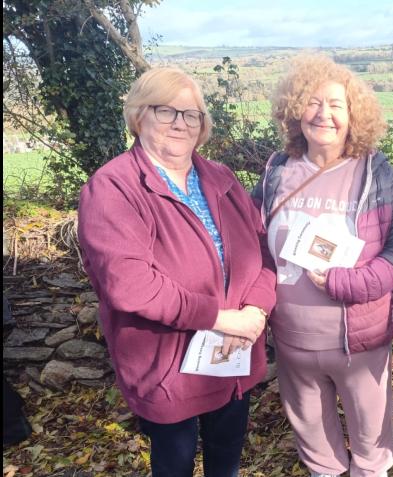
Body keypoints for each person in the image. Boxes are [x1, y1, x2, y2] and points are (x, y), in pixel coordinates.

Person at [77, 67, 276, 477]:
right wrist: (222, 317)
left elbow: (263, 251)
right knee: (174, 466)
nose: (181, 124)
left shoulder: (221, 178)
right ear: (139, 115)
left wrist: (256, 311)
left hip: (233, 355)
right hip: (168, 367)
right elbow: (129, 285)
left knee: (227, 463)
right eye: (166, 111)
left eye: (192, 114)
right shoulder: (114, 188)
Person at [253, 55, 393, 477]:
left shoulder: (374, 173)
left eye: (336, 105)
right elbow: (253, 244)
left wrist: (352, 282)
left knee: (370, 450)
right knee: (317, 451)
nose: (323, 114)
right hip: (292, 341)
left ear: (353, 115)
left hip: (359, 344)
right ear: (295, 110)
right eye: (312, 102)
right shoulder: (277, 171)